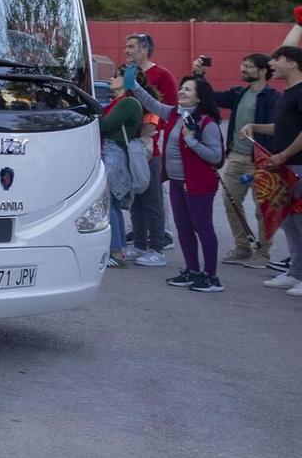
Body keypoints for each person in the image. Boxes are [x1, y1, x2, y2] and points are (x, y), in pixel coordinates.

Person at [125, 71, 226, 291]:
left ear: (199, 97)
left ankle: (211, 276)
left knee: (203, 228)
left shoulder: (206, 123)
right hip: (177, 182)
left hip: (198, 184)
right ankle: (192, 270)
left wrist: (192, 142)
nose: (181, 91)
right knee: (183, 228)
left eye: (188, 89)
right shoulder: (173, 113)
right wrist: (132, 83)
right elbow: (150, 102)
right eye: (182, 88)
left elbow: (216, 157)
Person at [215, 54, 281, 268]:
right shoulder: (238, 93)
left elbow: (278, 129)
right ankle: (242, 247)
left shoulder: (272, 97)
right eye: (242, 65)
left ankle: (262, 252)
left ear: (262, 71)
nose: (243, 69)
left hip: (260, 160)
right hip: (235, 157)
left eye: (249, 66)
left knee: (263, 209)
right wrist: (198, 75)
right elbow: (211, 97)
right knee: (229, 202)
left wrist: (271, 158)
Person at [245, 45, 302, 295]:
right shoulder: (287, 92)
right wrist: (255, 126)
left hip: (297, 165)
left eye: (276, 59)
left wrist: (284, 155)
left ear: (291, 63)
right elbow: (281, 127)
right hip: (286, 165)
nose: (272, 65)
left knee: (300, 221)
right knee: (289, 221)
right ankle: (295, 273)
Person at [122, 32, 177, 258]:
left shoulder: (162, 75)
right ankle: (140, 241)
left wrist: (153, 131)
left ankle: (158, 242)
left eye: (131, 46)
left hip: (151, 140)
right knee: (137, 196)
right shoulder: (128, 74)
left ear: (144, 49)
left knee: (153, 196)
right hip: (132, 142)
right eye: (126, 46)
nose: (127, 50)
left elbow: (171, 109)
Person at [99, 69, 144, 267]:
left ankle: (116, 251)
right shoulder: (120, 102)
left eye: (116, 75)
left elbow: (105, 125)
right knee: (111, 203)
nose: (111, 78)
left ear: (127, 81)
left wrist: (88, 112)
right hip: (113, 153)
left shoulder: (127, 103)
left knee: (111, 203)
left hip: (115, 154)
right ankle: (116, 250)